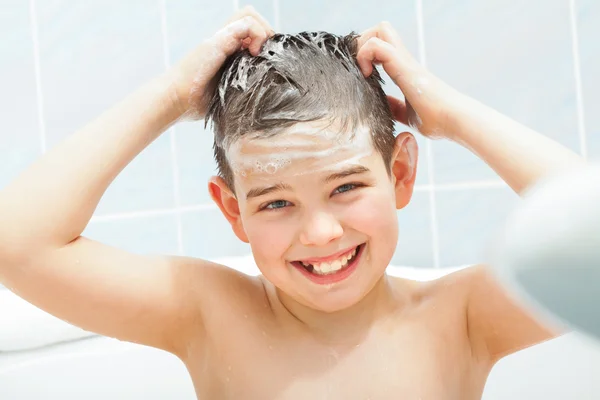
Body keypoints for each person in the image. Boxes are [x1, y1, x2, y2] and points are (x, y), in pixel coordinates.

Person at [0, 6, 586, 399]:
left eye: (347, 187)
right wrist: (174, 94)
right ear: (233, 212)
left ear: (400, 173)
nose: (322, 233)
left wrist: (451, 113)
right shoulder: (210, 314)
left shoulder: (459, 318)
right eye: (277, 203)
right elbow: (17, 244)